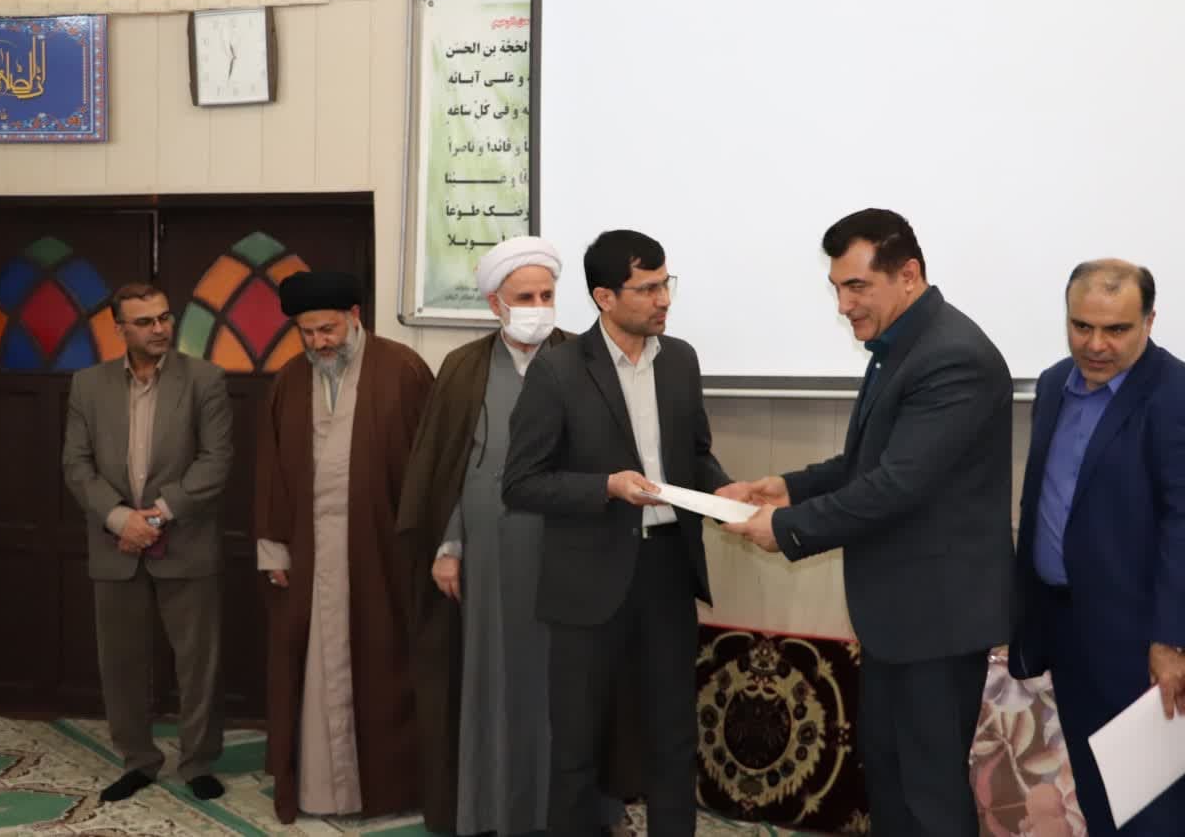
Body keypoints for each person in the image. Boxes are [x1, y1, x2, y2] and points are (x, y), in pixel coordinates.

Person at [719, 208, 1014, 837]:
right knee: (891, 780)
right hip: (899, 619)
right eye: (836, 288)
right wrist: (789, 487)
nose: (844, 306)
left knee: (929, 796)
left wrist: (787, 527)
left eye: (857, 287)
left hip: (936, 622)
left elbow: (897, 485)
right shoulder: (902, 345)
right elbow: (868, 462)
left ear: (908, 275)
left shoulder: (953, 356)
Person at [502, 229, 731, 837]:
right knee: (576, 744)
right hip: (587, 580)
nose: (664, 299)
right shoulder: (557, 371)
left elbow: (695, 454)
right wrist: (605, 487)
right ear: (604, 297)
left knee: (673, 737)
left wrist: (724, 493)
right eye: (647, 288)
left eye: (665, 284)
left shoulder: (680, 360)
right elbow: (520, 484)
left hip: (667, 572)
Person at [400, 237, 631, 835]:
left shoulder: (585, 359)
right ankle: (494, 808)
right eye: (524, 297)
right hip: (491, 553)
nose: (538, 307)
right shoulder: (464, 368)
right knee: (496, 682)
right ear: (495, 304)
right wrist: (450, 546)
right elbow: (448, 467)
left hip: (566, 549)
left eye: (546, 295)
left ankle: (572, 812)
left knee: (566, 685)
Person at [1008, 260, 1185, 836]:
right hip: (1067, 629)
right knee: (1098, 797)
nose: (1096, 344)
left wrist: (1171, 640)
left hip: (1141, 644)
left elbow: (1182, 522)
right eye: (1082, 326)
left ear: (1149, 322)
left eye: (1116, 329)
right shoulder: (1053, 383)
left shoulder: (1173, 393)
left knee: (1152, 812)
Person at [255, 270, 434, 824]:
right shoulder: (290, 379)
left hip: (381, 552)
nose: (319, 342)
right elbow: (271, 469)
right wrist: (274, 548)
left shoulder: (403, 370)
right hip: (309, 552)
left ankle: (389, 788)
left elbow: (429, 467)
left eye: (328, 329)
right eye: (307, 333)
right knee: (308, 664)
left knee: (383, 664)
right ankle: (319, 789)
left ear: (355, 316)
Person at [62, 282, 233, 803]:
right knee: (121, 663)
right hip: (115, 546)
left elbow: (216, 461)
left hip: (185, 541)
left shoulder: (205, 380)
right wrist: (120, 520)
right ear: (119, 329)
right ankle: (138, 760)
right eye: (145, 322)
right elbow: (76, 464)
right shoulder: (88, 385)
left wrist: (155, 517)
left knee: (198, 663)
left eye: (164, 318)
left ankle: (198, 761)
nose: (159, 329)